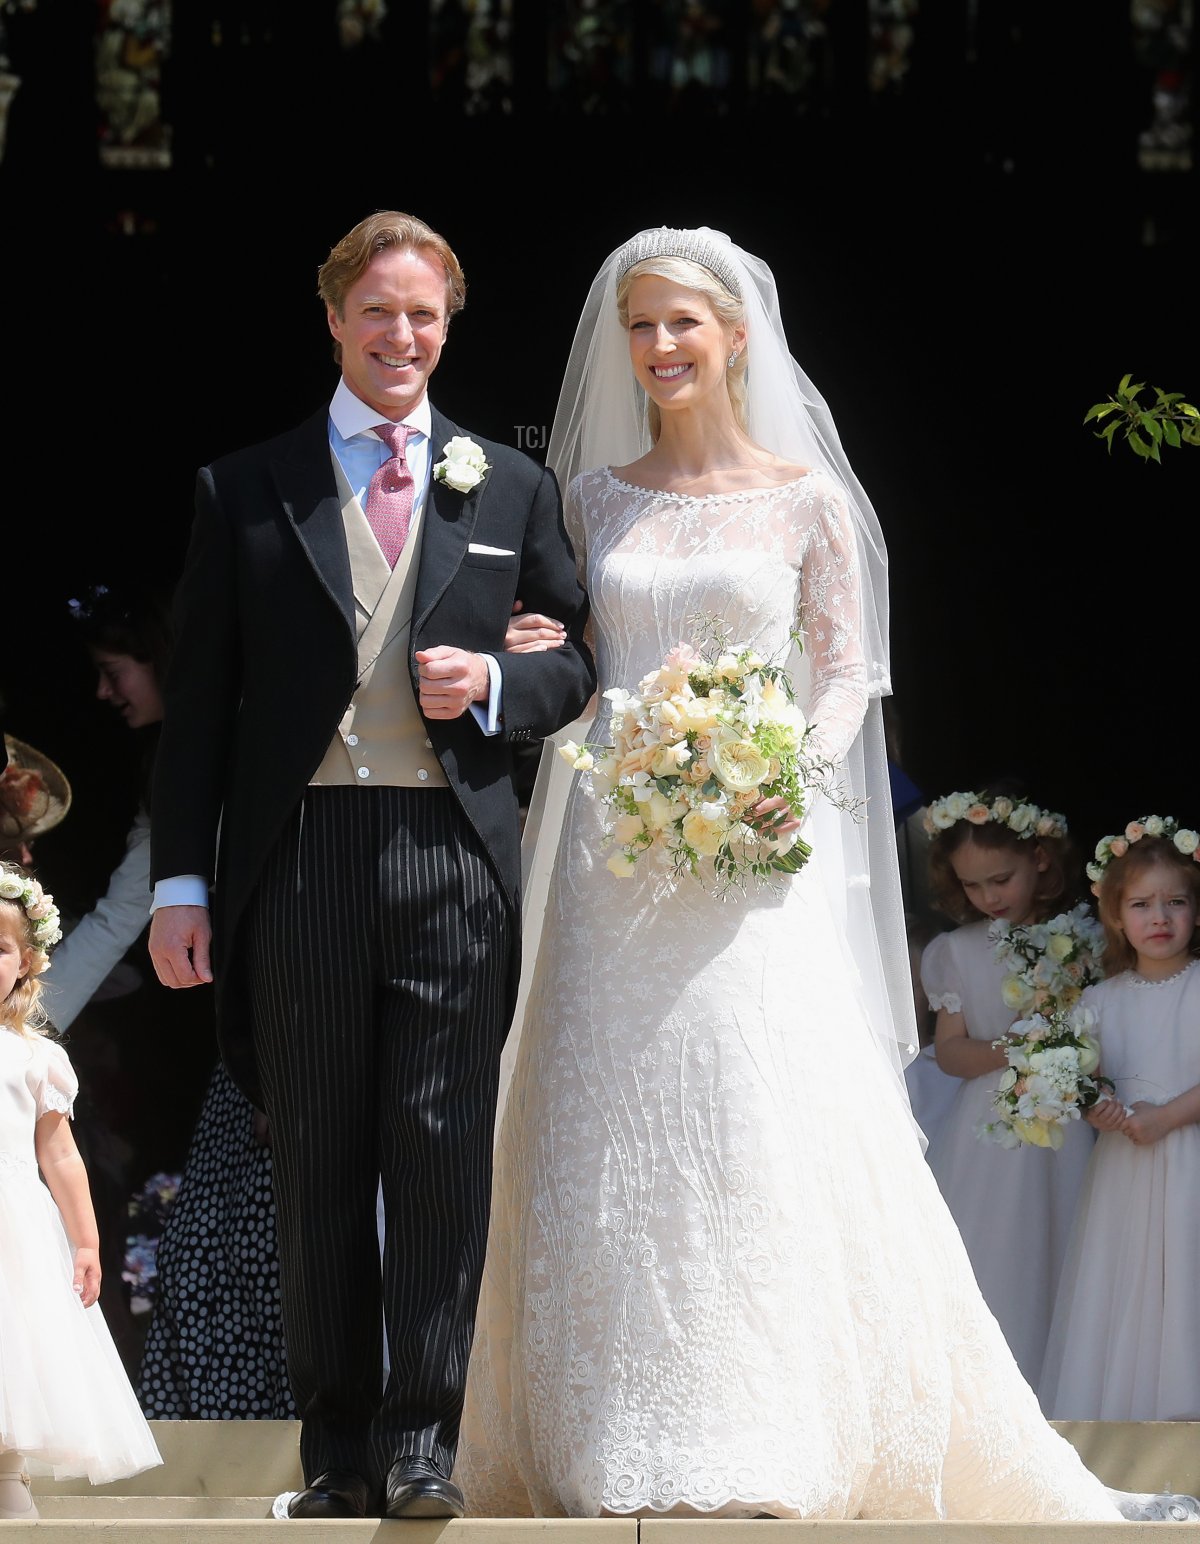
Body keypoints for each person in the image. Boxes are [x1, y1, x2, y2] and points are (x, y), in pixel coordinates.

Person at [452, 225, 1196, 1524]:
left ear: (737, 335)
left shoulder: (806, 499)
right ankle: (607, 1429)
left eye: (684, 322)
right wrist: (527, 649)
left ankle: (765, 1428)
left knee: (755, 1117)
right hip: (612, 854)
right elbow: (567, 654)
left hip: (753, 850)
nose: (660, 345)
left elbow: (851, 673)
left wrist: (780, 768)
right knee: (608, 1123)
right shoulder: (590, 499)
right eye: (641, 324)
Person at [146, 209, 595, 1520]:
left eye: (425, 314)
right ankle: (335, 1451)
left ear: (449, 326)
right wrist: (181, 883)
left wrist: (497, 682)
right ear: (336, 316)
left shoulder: (510, 487)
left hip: (451, 851)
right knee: (319, 1158)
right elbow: (199, 704)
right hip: (300, 854)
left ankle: (421, 1447)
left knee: (443, 1151)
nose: (404, 335)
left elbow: (577, 661)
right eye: (380, 310)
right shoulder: (245, 487)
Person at [917, 784, 1100, 1391]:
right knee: (995, 1253)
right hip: (989, 1134)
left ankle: (1066, 1383)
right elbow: (950, 1052)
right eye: (972, 885)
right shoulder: (956, 951)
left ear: (1039, 859)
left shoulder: (1084, 938)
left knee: (1069, 1245)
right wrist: (1018, 1049)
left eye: (1000, 879)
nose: (988, 897)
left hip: (1069, 1123)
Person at [0, 859, 162, 1520]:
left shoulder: (35, 1056)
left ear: (25, 963)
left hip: (12, 1227)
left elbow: (61, 1154)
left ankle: (7, 1480)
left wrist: (86, 1242)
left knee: (14, 1351)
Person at [1040, 817, 1200, 1421]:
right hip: (1126, 1173)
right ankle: (1134, 1426)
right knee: (1128, 1285)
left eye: (1175, 902)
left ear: (1196, 911)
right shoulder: (1099, 1001)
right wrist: (1099, 1107)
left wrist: (1169, 1116)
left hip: (1190, 1159)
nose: (1160, 917)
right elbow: (1088, 1082)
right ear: (1115, 915)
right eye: (1141, 904)